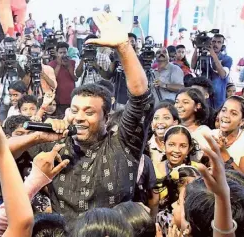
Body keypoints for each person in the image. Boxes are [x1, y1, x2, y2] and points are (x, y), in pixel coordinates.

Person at [8, 12, 154, 221]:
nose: (79, 118)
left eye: (89, 112)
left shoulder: (123, 145)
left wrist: (124, 47)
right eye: (75, 110)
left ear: (106, 116)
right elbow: (0, 155)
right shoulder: (55, 146)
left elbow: (142, 100)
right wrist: (38, 137)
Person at [212, 96, 244, 175]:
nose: (226, 115)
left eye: (233, 113)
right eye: (223, 110)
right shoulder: (211, 134)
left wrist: (224, 154)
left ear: (242, 121)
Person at [191, 33, 233, 109]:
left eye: (219, 42)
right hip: (204, 99)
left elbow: (223, 74)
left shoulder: (227, 59)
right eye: (213, 41)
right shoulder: (204, 56)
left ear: (222, 45)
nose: (215, 44)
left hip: (218, 100)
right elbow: (193, 66)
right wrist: (198, 46)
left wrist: (213, 55)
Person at [174, 88, 211, 161]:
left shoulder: (204, 132)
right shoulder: (172, 128)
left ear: (197, 106)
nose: (179, 106)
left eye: (185, 102)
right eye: (177, 102)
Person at [48, 42, 77, 114]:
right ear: (57, 53)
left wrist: (68, 66)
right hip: (58, 99)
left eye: (65, 52)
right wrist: (59, 64)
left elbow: (75, 78)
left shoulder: (72, 62)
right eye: (60, 53)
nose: (63, 54)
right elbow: (52, 79)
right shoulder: (52, 64)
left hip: (70, 97)